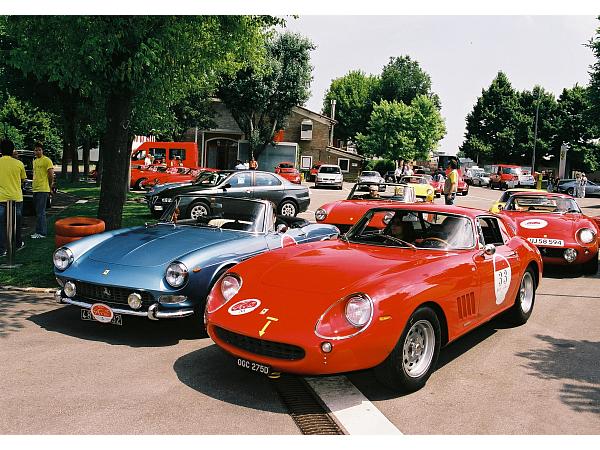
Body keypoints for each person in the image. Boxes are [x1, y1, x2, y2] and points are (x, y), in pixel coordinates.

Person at [0, 139, 27, 256]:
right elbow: (23, 180)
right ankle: (18, 243)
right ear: (12, 150)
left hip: (1, 198)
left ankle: (2, 249)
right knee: (17, 222)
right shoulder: (19, 164)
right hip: (16, 197)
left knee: (0, 224)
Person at [30, 142, 55, 239]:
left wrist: (49, 186)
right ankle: (38, 231)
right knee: (37, 212)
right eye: (36, 150)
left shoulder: (47, 160)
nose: (37, 151)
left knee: (41, 212)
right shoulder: (35, 161)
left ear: (42, 150)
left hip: (43, 189)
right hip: (35, 189)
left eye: (39, 149)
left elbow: (51, 174)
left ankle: (42, 233)